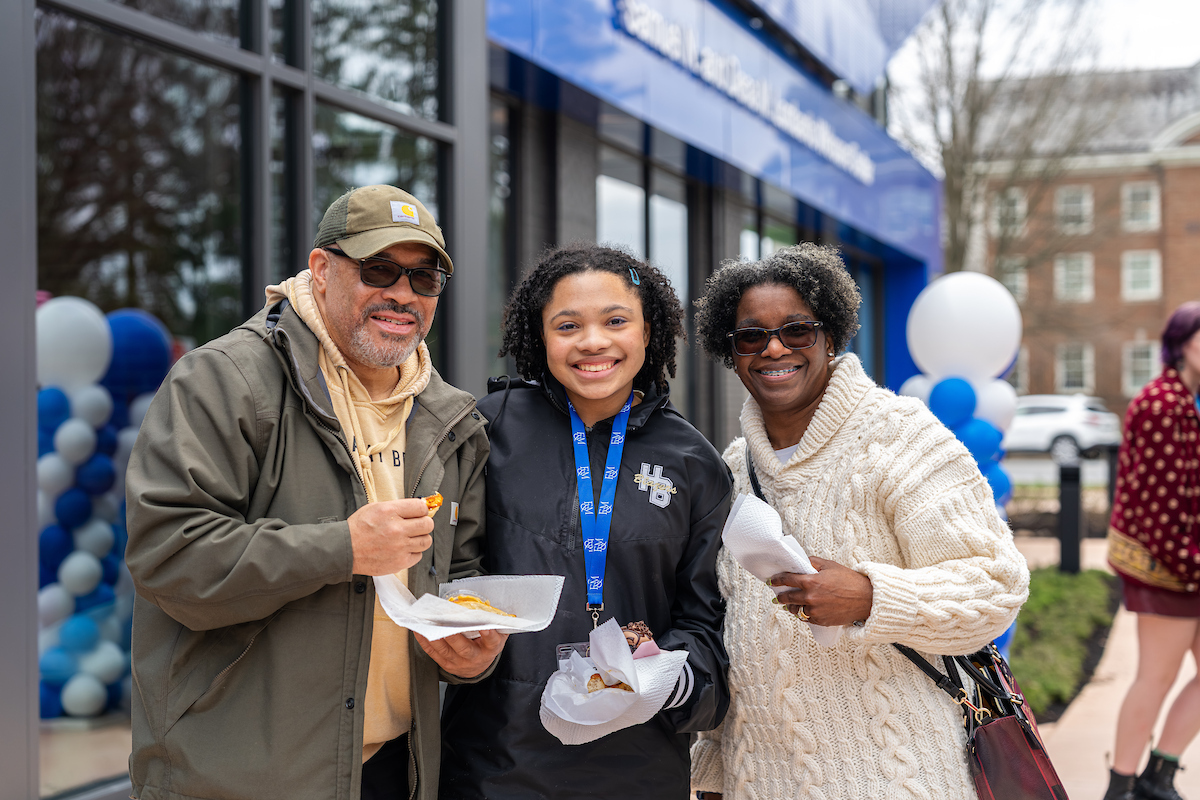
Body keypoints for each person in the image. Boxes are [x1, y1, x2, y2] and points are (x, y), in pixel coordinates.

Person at [124, 185, 506, 800]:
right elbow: (170, 558)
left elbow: (457, 572)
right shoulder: (225, 379)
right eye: (379, 269)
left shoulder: (451, 418)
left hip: (394, 769)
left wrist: (467, 652)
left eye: (423, 278)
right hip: (239, 777)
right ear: (322, 269)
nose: (402, 294)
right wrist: (343, 548)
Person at [688, 244, 1030, 799]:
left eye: (796, 329)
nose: (774, 347)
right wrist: (713, 773)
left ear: (830, 336)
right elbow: (737, 644)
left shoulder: (901, 436)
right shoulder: (732, 469)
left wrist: (872, 597)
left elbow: (997, 585)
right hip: (762, 785)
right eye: (752, 335)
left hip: (895, 781)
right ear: (732, 353)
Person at [438, 243, 732, 799]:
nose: (593, 342)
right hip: (492, 763)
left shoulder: (693, 462)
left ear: (648, 332)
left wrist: (665, 679)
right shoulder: (484, 428)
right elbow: (446, 577)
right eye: (567, 324)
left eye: (616, 321)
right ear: (540, 336)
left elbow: (707, 626)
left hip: (637, 766)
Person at [1102, 302, 1200, 800]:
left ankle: (1157, 776)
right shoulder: (1164, 404)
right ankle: (1121, 787)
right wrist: (1192, 566)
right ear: (1182, 343)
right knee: (1156, 677)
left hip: (1189, 563)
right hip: (1168, 567)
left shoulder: (1189, 400)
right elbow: (1161, 508)